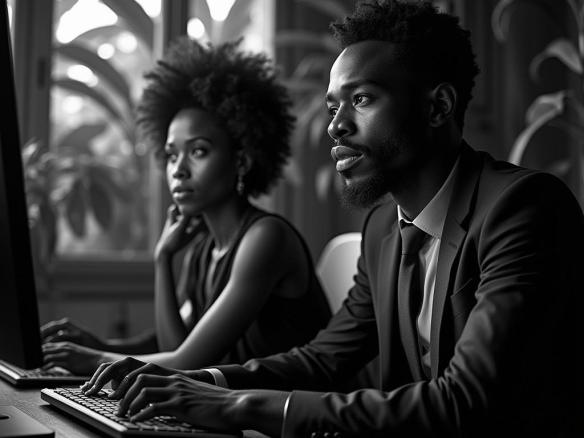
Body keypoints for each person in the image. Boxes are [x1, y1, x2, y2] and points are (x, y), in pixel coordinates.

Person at [80, 1, 584, 437]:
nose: (336, 126)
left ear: (438, 107)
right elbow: (323, 359)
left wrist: (240, 406)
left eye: (361, 100)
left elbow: (465, 402)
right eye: (332, 105)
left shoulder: (523, 209)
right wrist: (202, 383)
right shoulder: (384, 228)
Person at [40, 36, 332, 376]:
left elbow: (188, 363)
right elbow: (174, 348)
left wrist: (92, 360)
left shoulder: (266, 239)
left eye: (198, 151)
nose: (178, 169)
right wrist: (163, 259)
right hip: (235, 411)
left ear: (241, 160)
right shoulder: (203, 249)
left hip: (292, 421)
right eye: (171, 154)